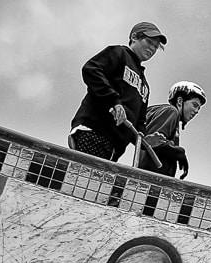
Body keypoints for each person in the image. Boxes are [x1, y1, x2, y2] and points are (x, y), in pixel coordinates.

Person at [68, 22, 166, 162]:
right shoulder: (119, 53)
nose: (152, 48)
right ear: (134, 37)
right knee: (84, 176)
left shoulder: (145, 87)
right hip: (95, 131)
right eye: (149, 41)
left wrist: (144, 140)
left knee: (95, 182)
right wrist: (113, 101)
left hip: (115, 147)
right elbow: (91, 69)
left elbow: (139, 121)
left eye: (156, 47)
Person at [138, 81, 206, 179]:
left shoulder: (167, 114)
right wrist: (179, 152)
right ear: (179, 101)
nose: (196, 111)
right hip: (151, 178)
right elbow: (152, 142)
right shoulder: (171, 112)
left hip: (147, 177)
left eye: (199, 108)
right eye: (194, 105)